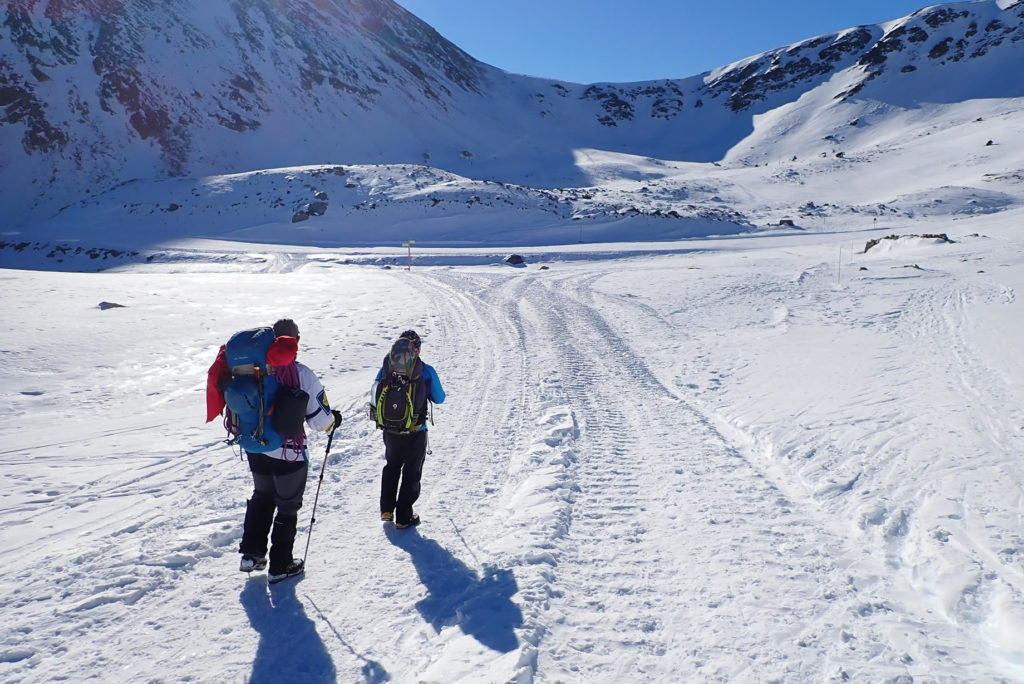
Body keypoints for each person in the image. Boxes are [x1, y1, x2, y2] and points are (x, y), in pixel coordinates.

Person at [232, 319, 339, 583]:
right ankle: (281, 566)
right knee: (287, 506)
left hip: (255, 446)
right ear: (294, 342)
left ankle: (251, 555)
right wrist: (334, 420)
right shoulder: (301, 373)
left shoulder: (249, 370)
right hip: (288, 452)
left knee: (262, 495)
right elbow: (320, 422)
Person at [372, 330, 445, 528]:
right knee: (412, 472)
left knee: (392, 466)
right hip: (415, 431)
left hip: (390, 429)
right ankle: (404, 518)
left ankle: (386, 510)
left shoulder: (386, 367)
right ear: (417, 348)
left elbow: (375, 390)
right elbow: (440, 398)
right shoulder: (425, 370)